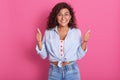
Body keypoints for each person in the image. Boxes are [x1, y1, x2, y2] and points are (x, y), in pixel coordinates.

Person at [36, 2, 90, 80]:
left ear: (70, 16)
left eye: (66, 14)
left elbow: (79, 55)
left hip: (72, 71)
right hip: (54, 71)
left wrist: (84, 42)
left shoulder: (76, 32)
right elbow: (44, 55)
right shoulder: (49, 32)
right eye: (60, 14)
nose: (63, 18)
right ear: (56, 17)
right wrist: (39, 42)